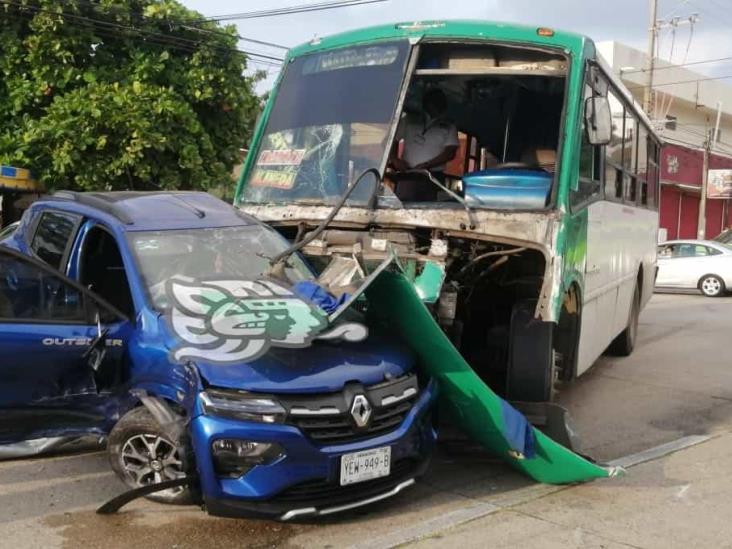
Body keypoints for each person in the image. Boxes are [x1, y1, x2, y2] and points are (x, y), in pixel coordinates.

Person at [389, 88, 459, 201]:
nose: (437, 106)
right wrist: (395, 159)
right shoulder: (409, 120)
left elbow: (450, 153)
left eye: (440, 103)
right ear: (426, 103)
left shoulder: (449, 126)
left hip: (432, 177)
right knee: (404, 208)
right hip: (407, 175)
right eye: (433, 102)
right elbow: (391, 140)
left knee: (429, 210)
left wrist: (427, 165)